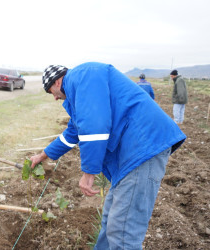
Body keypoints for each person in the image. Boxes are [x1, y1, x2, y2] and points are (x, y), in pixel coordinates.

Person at [30, 63, 186, 249]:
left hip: (142, 148)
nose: (55, 97)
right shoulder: (79, 89)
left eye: (51, 91)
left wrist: (89, 173)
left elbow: (94, 126)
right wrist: (43, 156)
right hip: (132, 153)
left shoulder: (84, 76)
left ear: (57, 81)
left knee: (123, 233)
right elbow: (74, 131)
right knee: (110, 221)